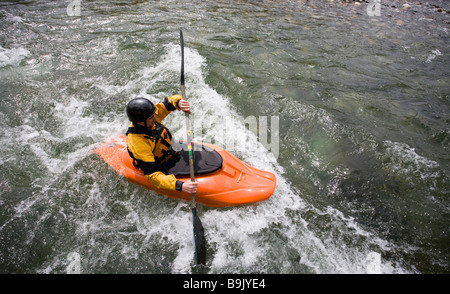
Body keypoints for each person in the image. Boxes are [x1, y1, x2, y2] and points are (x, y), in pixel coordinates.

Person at [125, 95, 198, 194]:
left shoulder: (148, 117)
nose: (155, 118)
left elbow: (168, 103)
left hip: (171, 153)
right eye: (151, 117)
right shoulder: (138, 143)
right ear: (140, 122)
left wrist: (179, 102)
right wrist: (180, 186)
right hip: (161, 166)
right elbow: (152, 175)